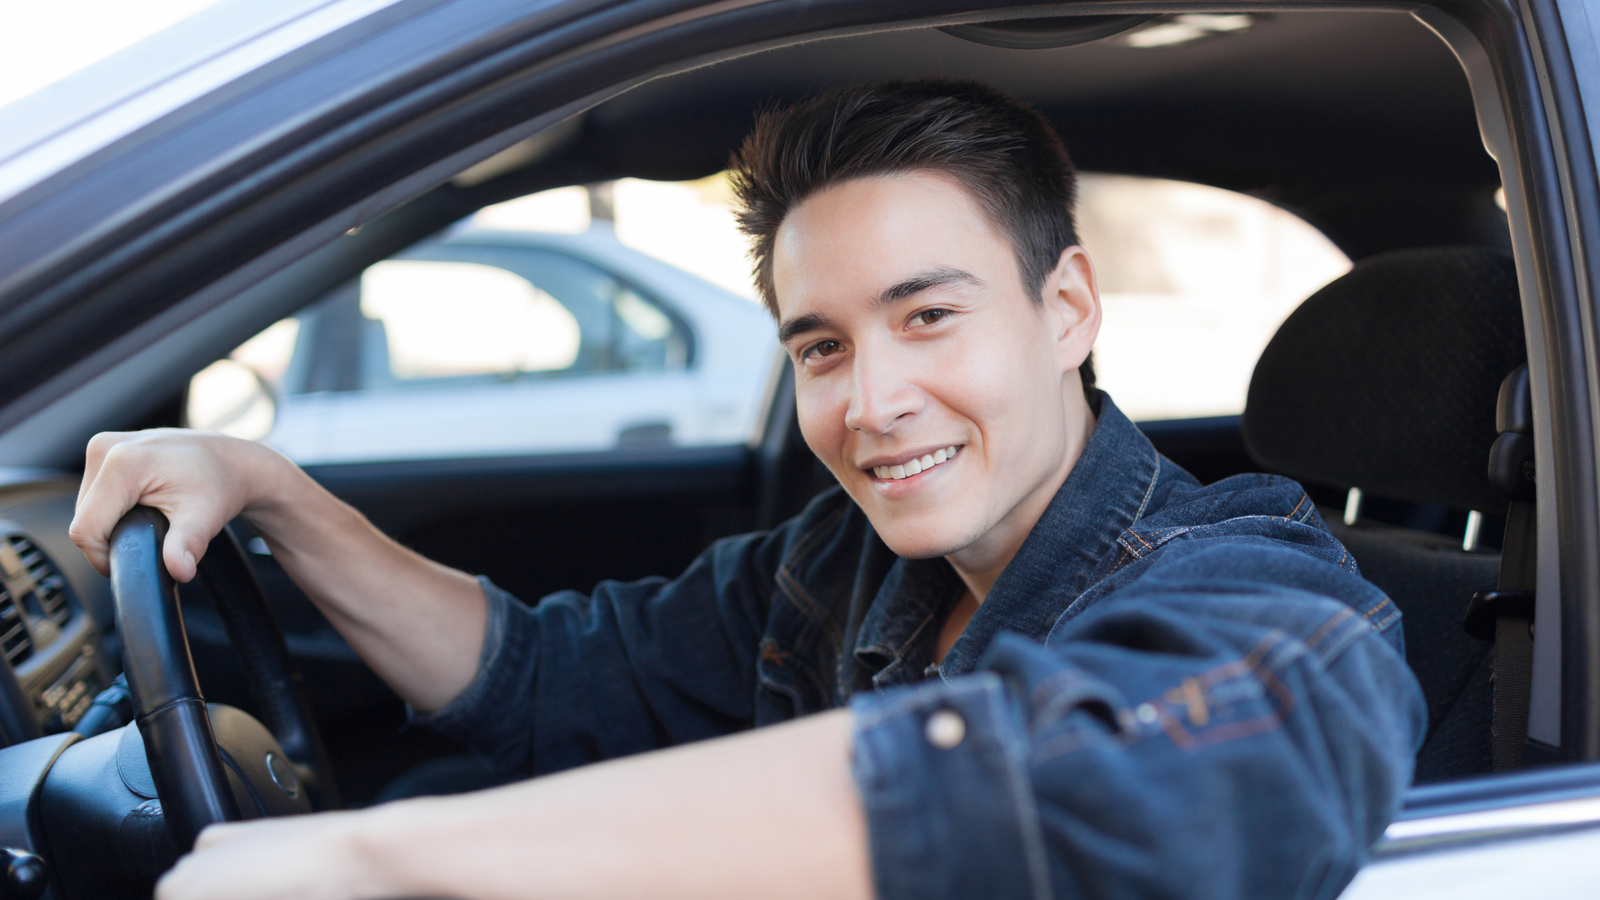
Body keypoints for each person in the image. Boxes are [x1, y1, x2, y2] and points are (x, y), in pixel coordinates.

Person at [70, 80, 1424, 900]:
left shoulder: (1262, 582)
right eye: (821, 346)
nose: (870, 402)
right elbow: (547, 677)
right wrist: (272, 491)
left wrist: (379, 860)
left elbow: (1095, 782)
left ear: (1066, 307)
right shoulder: (844, 565)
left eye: (929, 317)